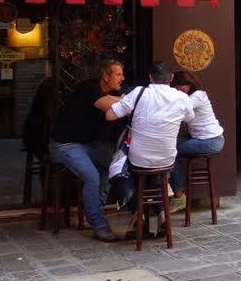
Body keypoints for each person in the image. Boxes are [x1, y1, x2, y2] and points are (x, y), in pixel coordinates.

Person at [103, 61, 194, 229]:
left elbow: (110, 115)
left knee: (129, 169)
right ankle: (161, 213)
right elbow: (190, 118)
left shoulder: (139, 93)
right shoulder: (182, 97)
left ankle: (138, 213)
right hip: (167, 160)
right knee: (156, 172)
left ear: (150, 78)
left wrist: (120, 102)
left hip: (139, 160)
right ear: (171, 78)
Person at [49, 60, 125, 242]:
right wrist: (123, 101)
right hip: (65, 145)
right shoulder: (88, 88)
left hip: (87, 145)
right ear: (106, 76)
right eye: (118, 74)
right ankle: (98, 224)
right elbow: (110, 106)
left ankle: (94, 208)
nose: (122, 78)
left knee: (112, 165)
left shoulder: (112, 93)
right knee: (92, 177)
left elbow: (120, 103)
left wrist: (122, 100)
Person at [168, 70, 225, 212]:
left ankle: (178, 196)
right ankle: (171, 188)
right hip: (199, 138)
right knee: (167, 145)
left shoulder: (197, 96)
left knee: (170, 152)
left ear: (189, 84)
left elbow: (178, 108)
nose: (177, 90)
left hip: (211, 141)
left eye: (179, 86)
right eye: (174, 87)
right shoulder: (189, 96)